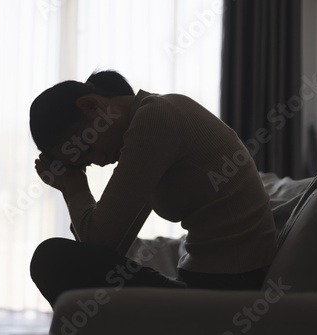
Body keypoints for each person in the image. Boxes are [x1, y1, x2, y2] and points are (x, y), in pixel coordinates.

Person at [28, 70, 277, 307]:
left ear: (92, 106)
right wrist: (69, 186)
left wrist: (73, 184)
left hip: (229, 290)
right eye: (86, 163)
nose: (101, 162)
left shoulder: (155, 118)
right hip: (214, 284)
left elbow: (99, 243)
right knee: (60, 264)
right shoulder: (154, 119)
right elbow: (109, 248)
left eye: (86, 150)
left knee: (49, 259)